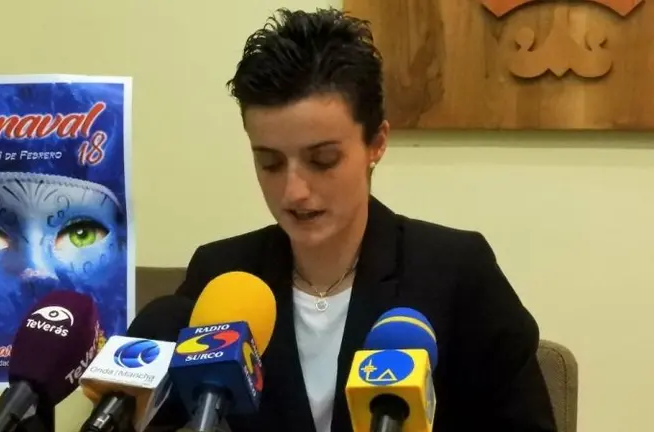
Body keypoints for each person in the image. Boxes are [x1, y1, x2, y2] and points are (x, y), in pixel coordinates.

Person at [150, 7, 557, 432]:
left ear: (376, 143)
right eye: (270, 163)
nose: (294, 191)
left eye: (322, 160)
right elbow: (158, 413)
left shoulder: (456, 273)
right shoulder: (222, 277)